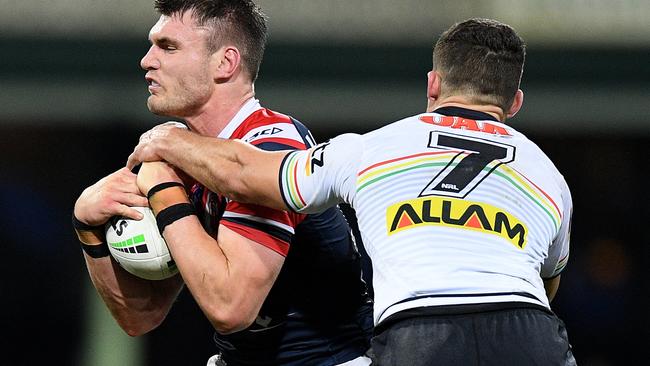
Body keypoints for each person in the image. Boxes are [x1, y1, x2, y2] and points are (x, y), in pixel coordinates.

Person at [128, 18, 577, 365]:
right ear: (514, 102)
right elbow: (547, 282)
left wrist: (167, 141)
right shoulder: (551, 175)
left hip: (420, 333)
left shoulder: (372, 148)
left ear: (433, 84)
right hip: (529, 329)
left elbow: (248, 174)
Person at [72, 1, 373, 365]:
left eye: (168, 47)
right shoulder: (183, 159)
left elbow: (231, 308)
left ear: (225, 63)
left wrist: (163, 188)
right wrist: (87, 227)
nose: (147, 60)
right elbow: (141, 316)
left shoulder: (272, 149)